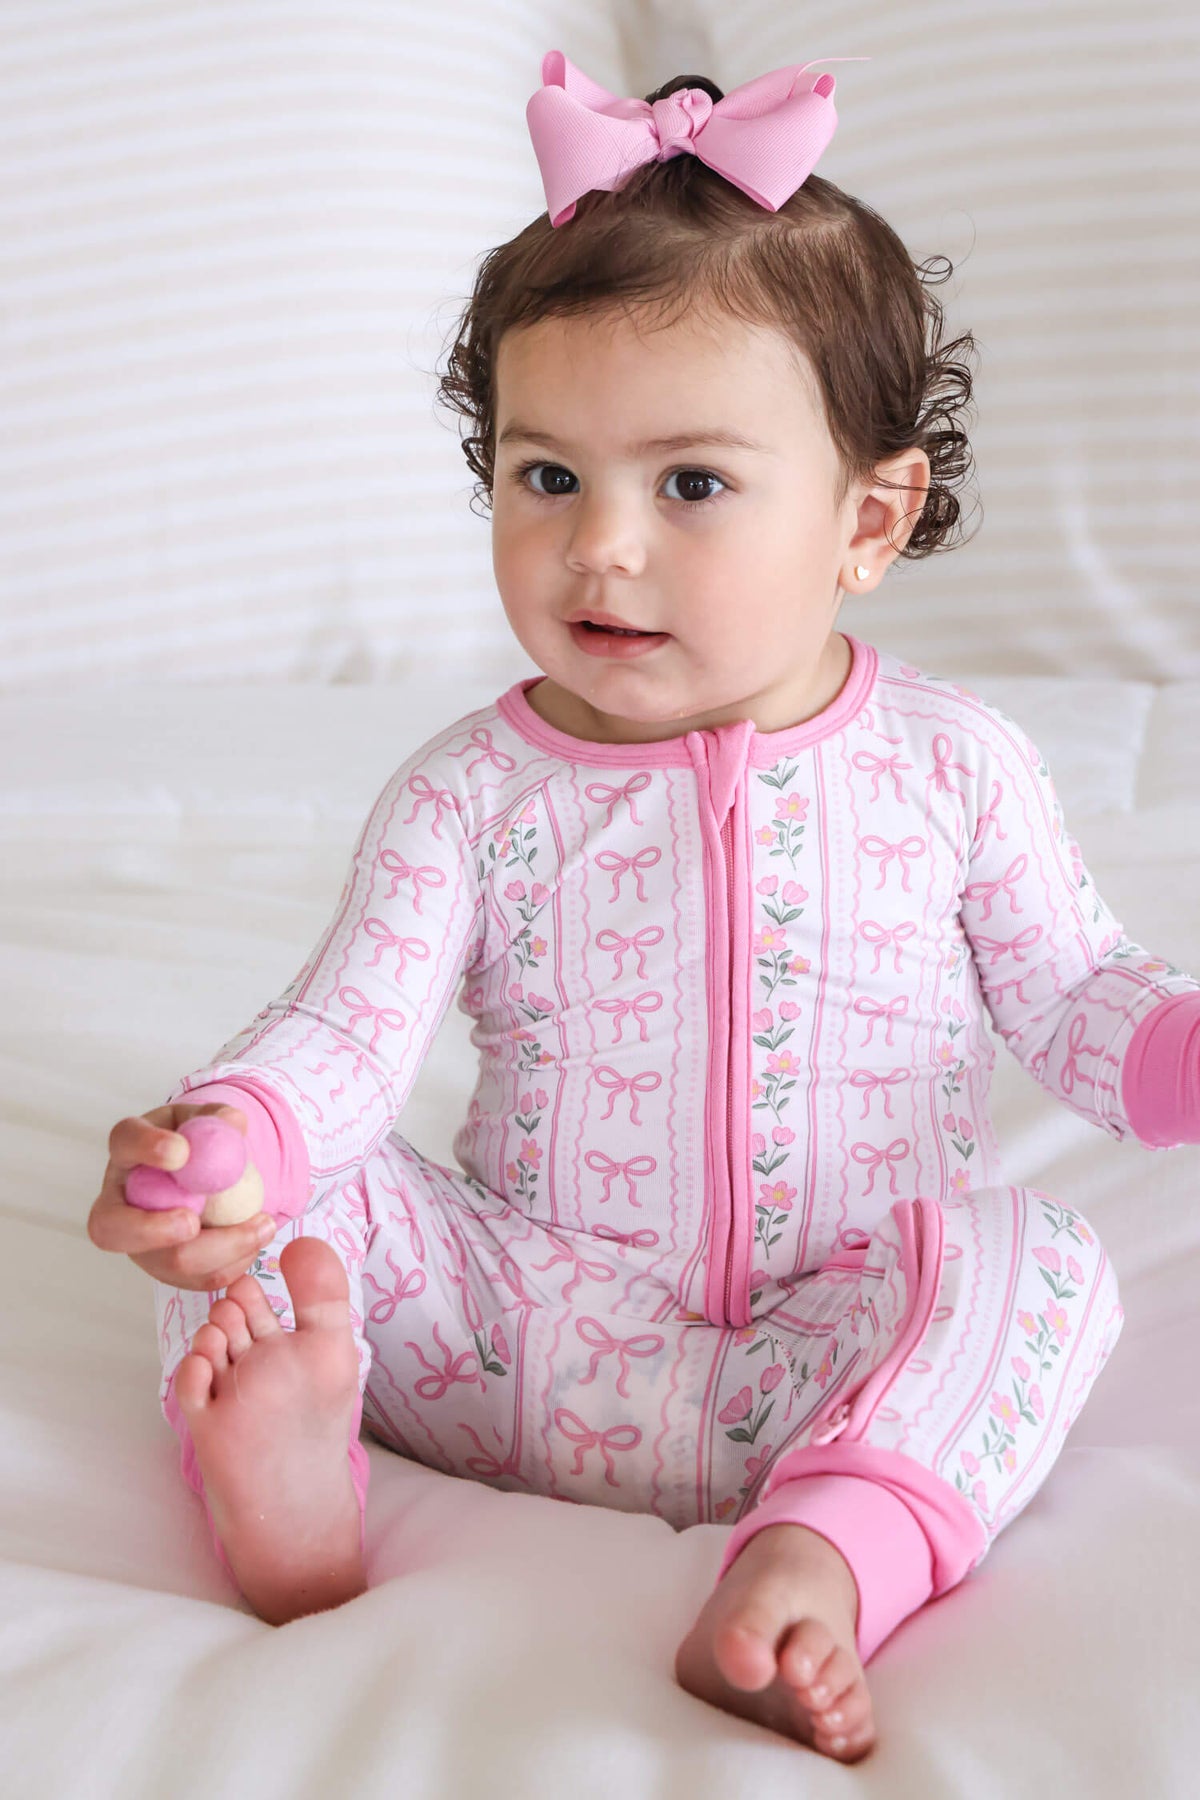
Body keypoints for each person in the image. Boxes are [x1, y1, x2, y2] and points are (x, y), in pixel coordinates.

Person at [87, 49, 1200, 1763]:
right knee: (281, 1227)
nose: (599, 547)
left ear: (870, 518)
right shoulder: (472, 793)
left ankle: (823, 1557)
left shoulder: (956, 765)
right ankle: (292, 1500)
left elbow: (1074, 992)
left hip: (840, 1350)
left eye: (688, 485)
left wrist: (1180, 1047)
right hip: (522, 1340)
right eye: (548, 477)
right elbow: (346, 1038)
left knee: (1039, 1263)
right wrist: (228, 1144)